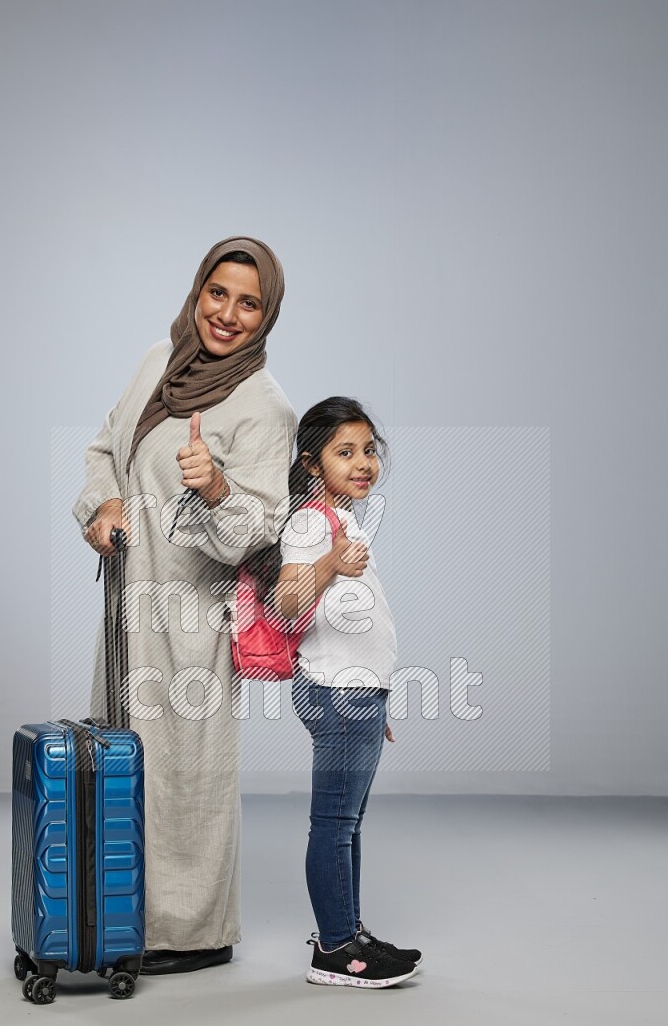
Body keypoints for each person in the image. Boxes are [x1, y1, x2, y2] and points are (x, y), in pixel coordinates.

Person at [72, 236, 297, 975]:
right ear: (198, 290)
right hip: (126, 610)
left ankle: (195, 934)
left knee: (182, 775)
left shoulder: (264, 405)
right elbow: (107, 446)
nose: (226, 315)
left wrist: (216, 487)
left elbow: (262, 530)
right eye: (217, 293)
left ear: (266, 316)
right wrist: (105, 504)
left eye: (248, 303)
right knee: (121, 765)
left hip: (191, 618)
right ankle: (124, 916)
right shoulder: (158, 363)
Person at [245, 397, 422, 987]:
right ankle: (335, 950)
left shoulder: (339, 519)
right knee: (334, 822)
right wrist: (330, 564)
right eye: (344, 452)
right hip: (337, 695)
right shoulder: (311, 524)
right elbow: (287, 603)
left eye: (369, 450)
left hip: (357, 696)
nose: (363, 462)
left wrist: (377, 696)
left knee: (347, 823)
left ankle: (349, 932)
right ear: (312, 465)